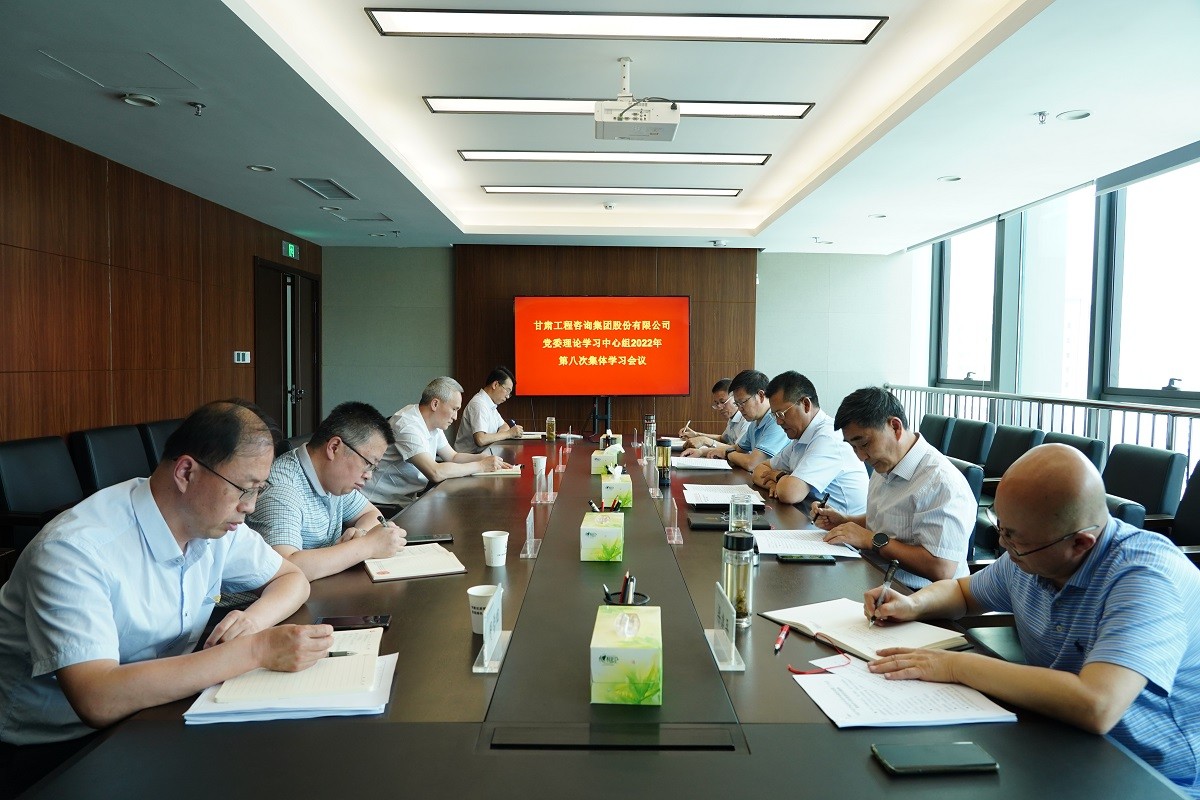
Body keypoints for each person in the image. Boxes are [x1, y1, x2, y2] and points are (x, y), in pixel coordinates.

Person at [865, 444, 1200, 797]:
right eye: (1001, 527)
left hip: (1152, 774)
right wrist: (913, 604)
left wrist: (954, 666)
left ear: (1080, 543)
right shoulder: (1033, 554)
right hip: (1058, 736)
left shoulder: (1146, 578)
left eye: (1014, 538)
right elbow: (964, 593)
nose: (1002, 544)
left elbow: (1097, 704)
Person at [0, 402, 331, 757]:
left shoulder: (213, 523)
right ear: (186, 472)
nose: (249, 506)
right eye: (244, 489)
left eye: (259, 490)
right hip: (56, 748)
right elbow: (97, 698)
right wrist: (256, 650)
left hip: (160, 709)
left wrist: (253, 622)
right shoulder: (74, 549)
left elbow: (291, 578)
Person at [813, 387, 973, 588]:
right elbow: (889, 521)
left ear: (895, 427)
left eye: (864, 444)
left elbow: (941, 568)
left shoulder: (940, 482)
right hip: (875, 577)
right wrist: (844, 521)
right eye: (853, 447)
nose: (861, 456)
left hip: (916, 594)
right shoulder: (885, 463)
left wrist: (872, 540)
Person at [248, 401, 407, 581]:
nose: (369, 475)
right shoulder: (283, 490)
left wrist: (359, 535)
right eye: (368, 463)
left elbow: (371, 514)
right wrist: (367, 546)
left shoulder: (332, 479)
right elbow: (283, 568)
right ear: (334, 447)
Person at [363, 377, 516, 508]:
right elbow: (435, 472)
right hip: (381, 503)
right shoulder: (407, 425)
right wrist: (480, 466)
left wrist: (484, 459)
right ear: (435, 404)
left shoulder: (432, 423)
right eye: (454, 409)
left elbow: (453, 457)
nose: (455, 417)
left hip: (405, 499)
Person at [751, 371, 867, 514]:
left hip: (838, 524)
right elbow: (759, 470)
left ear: (806, 404)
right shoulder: (801, 437)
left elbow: (790, 493)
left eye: (781, 414)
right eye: (774, 415)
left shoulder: (828, 436)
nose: (778, 422)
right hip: (809, 517)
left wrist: (778, 476)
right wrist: (773, 485)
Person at [693, 369, 787, 472]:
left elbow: (752, 463)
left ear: (760, 395)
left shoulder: (777, 421)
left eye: (742, 402)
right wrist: (701, 452)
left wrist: (727, 454)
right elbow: (737, 448)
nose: (740, 409)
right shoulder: (755, 422)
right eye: (737, 404)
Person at [454, 365, 524, 453]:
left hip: (484, 455)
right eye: (507, 390)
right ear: (495, 385)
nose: (507, 396)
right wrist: (508, 434)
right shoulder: (479, 404)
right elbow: (481, 440)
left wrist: (500, 435)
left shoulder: (490, 404)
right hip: (470, 458)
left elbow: (504, 425)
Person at [679, 377, 749, 456]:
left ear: (735, 399)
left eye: (722, 402)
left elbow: (738, 450)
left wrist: (705, 441)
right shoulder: (733, 418)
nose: (719, 407)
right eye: (717, 403)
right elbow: (722, 439)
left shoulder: (746, 420)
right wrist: (696, 435)